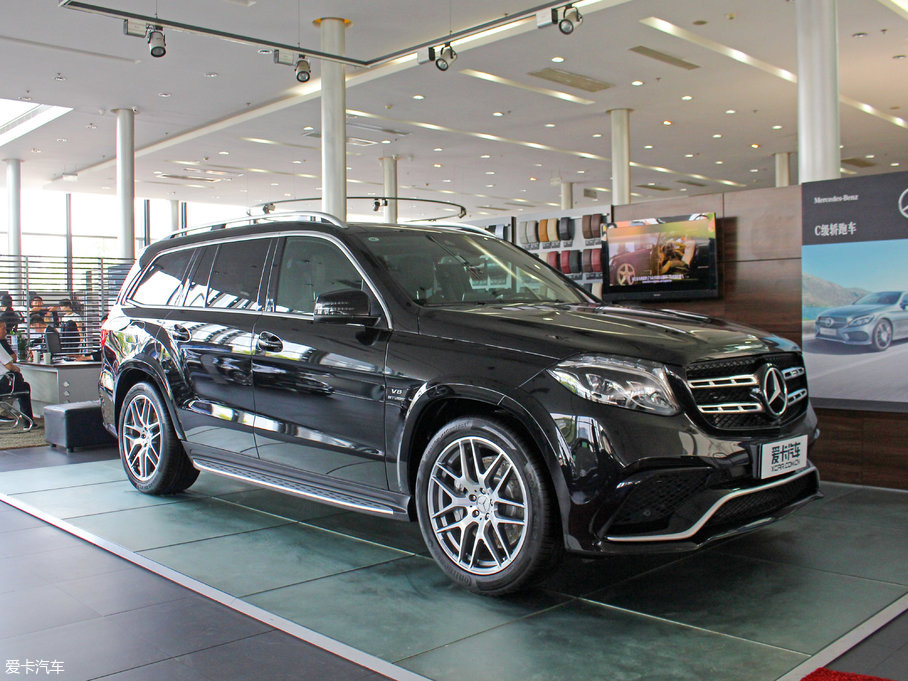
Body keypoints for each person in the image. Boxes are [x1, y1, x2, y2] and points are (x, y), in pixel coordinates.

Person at [0, 320, 37, 428]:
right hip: (3, 384)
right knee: (24, 387)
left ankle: (27, 421)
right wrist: (16, 369)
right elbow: (9, 365)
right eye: (2, 328)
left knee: (22, 386)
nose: (5, 331)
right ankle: (28, 422)